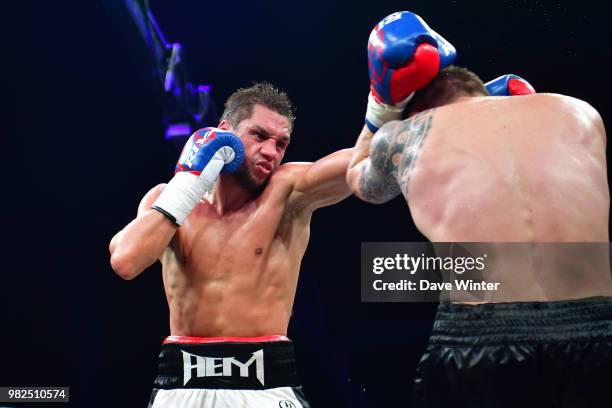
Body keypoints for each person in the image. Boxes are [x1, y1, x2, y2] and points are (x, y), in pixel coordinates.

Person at [346, 64, 612, 406]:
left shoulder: (407, 133)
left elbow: (360, 181)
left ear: (417, 110)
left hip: (480, 339)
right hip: (597, 331)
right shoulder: (580, 112)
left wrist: (380, 109)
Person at [109, 82, 355, 407]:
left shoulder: (286, 193)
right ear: (224, 132)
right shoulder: (166, 196)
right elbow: (125, 261)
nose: (271, 152)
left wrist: (387, 109)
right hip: (181, 386)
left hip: (267, 387)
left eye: (281, 144)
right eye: (259, 135)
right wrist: (188, 184)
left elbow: (361, 165)